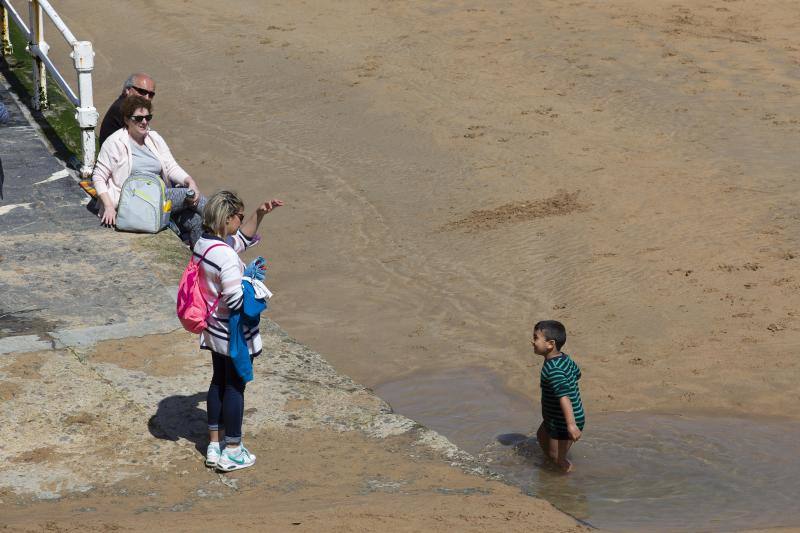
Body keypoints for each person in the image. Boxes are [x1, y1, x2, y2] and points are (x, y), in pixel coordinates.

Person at [194, 190, 283, 471]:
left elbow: (240, 240)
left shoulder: (203, 244)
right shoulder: (227, 258)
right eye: (239, 217)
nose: (240, 221)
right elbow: (235, 299)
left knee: (218, 382)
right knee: (235, 386)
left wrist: (259, 214)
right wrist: (255, 285)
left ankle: (214, 445)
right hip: (231, 331)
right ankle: (232, 449)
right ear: (228, 218)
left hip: (212, 328)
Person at [92, 95, 206, 244]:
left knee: (195, 221)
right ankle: (225, 220)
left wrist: (190, 180)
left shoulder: (154, 138)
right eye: (138, 118)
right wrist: (108, 206)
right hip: (133, 200)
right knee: (188, 194)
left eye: (148, 117)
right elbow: (98, 176)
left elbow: (171, 166)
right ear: (127, 120)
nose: (144, 122)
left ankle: (203, 262)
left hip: (159, 196)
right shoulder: (114, 142)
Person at [531, 320, 585, 472]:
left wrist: (571, 425)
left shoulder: (553, 369)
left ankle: (569, 479)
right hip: (554, 417)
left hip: (565, 419)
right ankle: (550, 462)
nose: (532, 341)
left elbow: (564, 397)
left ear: (550, 344)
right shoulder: (564, 358)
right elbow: (577, 373)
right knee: (541, 435)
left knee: (558, 459)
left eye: (536, 338)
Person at [98, 73, 156, 147]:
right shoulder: (124, 109)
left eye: (151, 95)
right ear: (127, 90)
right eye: (142, 92)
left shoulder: (124, 105)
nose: (147, 98)